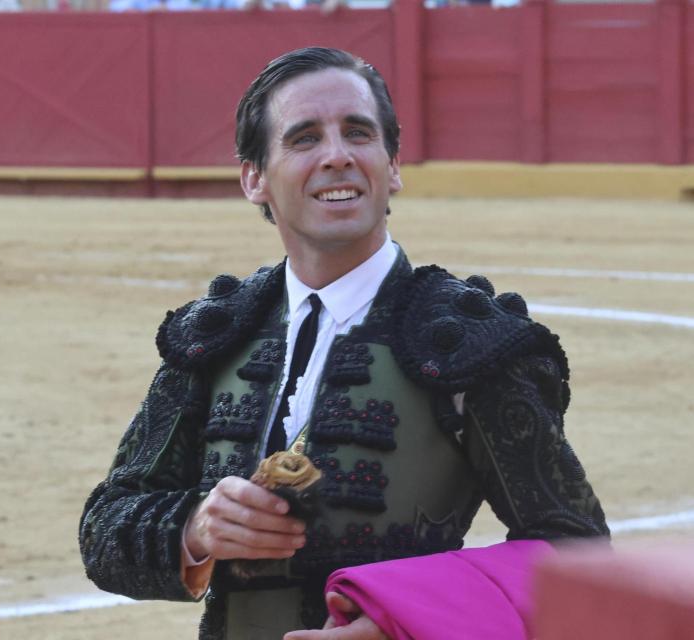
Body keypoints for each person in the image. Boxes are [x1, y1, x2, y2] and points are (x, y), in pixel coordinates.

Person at [79, 46, 608, 639]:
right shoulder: (218, 335)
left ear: (393, 166)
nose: (337, 156)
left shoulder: (468, 343)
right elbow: (105, 529)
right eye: (304, 139)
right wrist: (196, 527)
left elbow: (577, 554)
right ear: (255, 179)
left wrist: (401, 625)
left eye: (358, 133)